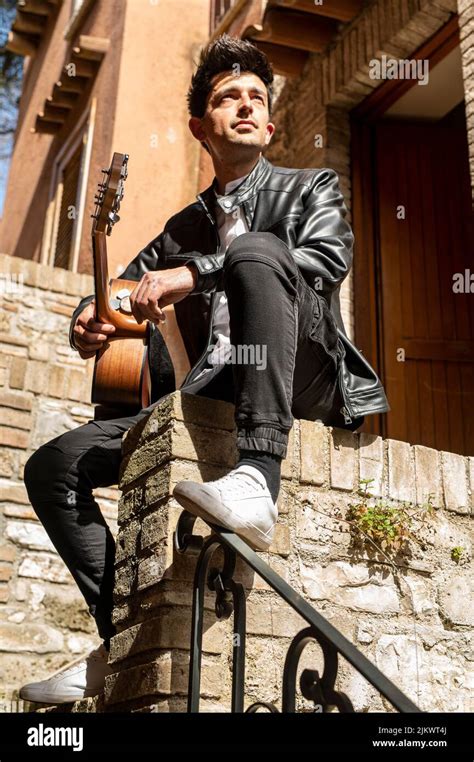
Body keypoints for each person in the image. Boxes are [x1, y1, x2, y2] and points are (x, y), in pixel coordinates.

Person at [20, 34, 389, 704]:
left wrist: (195, 274)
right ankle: (122, 635)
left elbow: (324, 264)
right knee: (53, 466)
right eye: (228, 99)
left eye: (255, 97)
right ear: (202, 127)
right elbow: (125, 289)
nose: (246, 106)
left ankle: (258, 480)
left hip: (298, 368)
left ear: (271, 124)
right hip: (209, 388)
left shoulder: (312, 187)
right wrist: (89, 316)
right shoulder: (181, 224)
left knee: (256, 251)